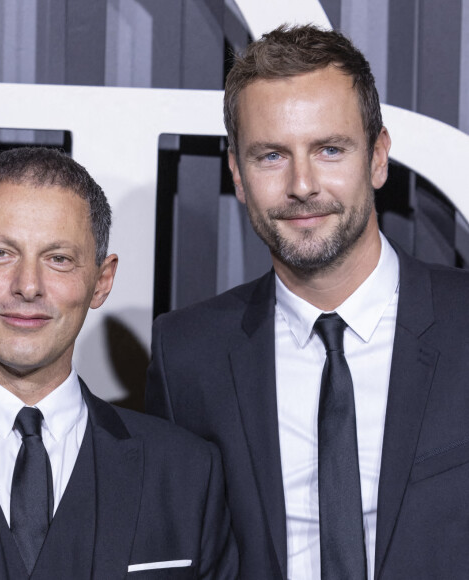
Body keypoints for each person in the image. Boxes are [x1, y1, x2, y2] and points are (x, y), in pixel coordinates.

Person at [146, 24, 469, 580]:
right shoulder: (187, 355)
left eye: (329, 149)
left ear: (377, 157)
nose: (302, 185)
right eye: (271, 155)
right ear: (238, 176)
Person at [0, 147, 238, 579]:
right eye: (0, 252)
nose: (28, 286)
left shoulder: (187, 475)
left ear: (101, 281)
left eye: (59, 259)